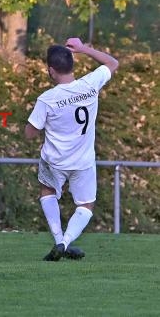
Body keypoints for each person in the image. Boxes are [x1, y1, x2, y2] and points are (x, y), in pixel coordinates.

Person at [25, 37, 119, 261]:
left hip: (54, 161)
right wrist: (84, 49)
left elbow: (29, 134)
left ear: (50, 70)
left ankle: (60, 241)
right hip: (83, 161)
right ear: (72, 64)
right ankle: (66, 242)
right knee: (86, 205)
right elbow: (113, 63)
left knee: (47, 192)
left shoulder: (47, 99)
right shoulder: (90, 84)